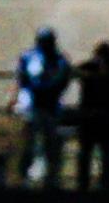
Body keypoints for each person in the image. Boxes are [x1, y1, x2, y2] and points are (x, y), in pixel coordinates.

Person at [15, 27, 73, 188]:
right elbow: (23, 78)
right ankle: (25, 177)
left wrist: (43, 89)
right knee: (29, 144)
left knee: (51, 144)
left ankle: (51, 178)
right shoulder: (29, 57)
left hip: (50, 107)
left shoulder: (59, 59)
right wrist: (42, 89)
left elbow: (62, 80)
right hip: (35, 106)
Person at [73, 40, 109, 191]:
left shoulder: (88, 66)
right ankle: (107, 184)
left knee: (86, 152)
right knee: (107, 152)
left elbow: (73, 71)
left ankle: (83, 185)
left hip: (89, 114)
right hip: (107, 114)